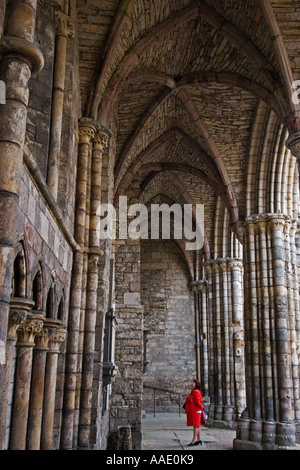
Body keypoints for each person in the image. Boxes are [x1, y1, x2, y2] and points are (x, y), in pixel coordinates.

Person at [184, 378, 203, 446]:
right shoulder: (195, 391)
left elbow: (198, 402)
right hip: (195, 410)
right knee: (197, 426)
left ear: (196, 384)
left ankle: (194, 441)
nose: (191, 383)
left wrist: (201, 408)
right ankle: (199, 439)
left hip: (195, 410)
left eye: (193, 382)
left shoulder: (195, 392)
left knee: (196, 426)